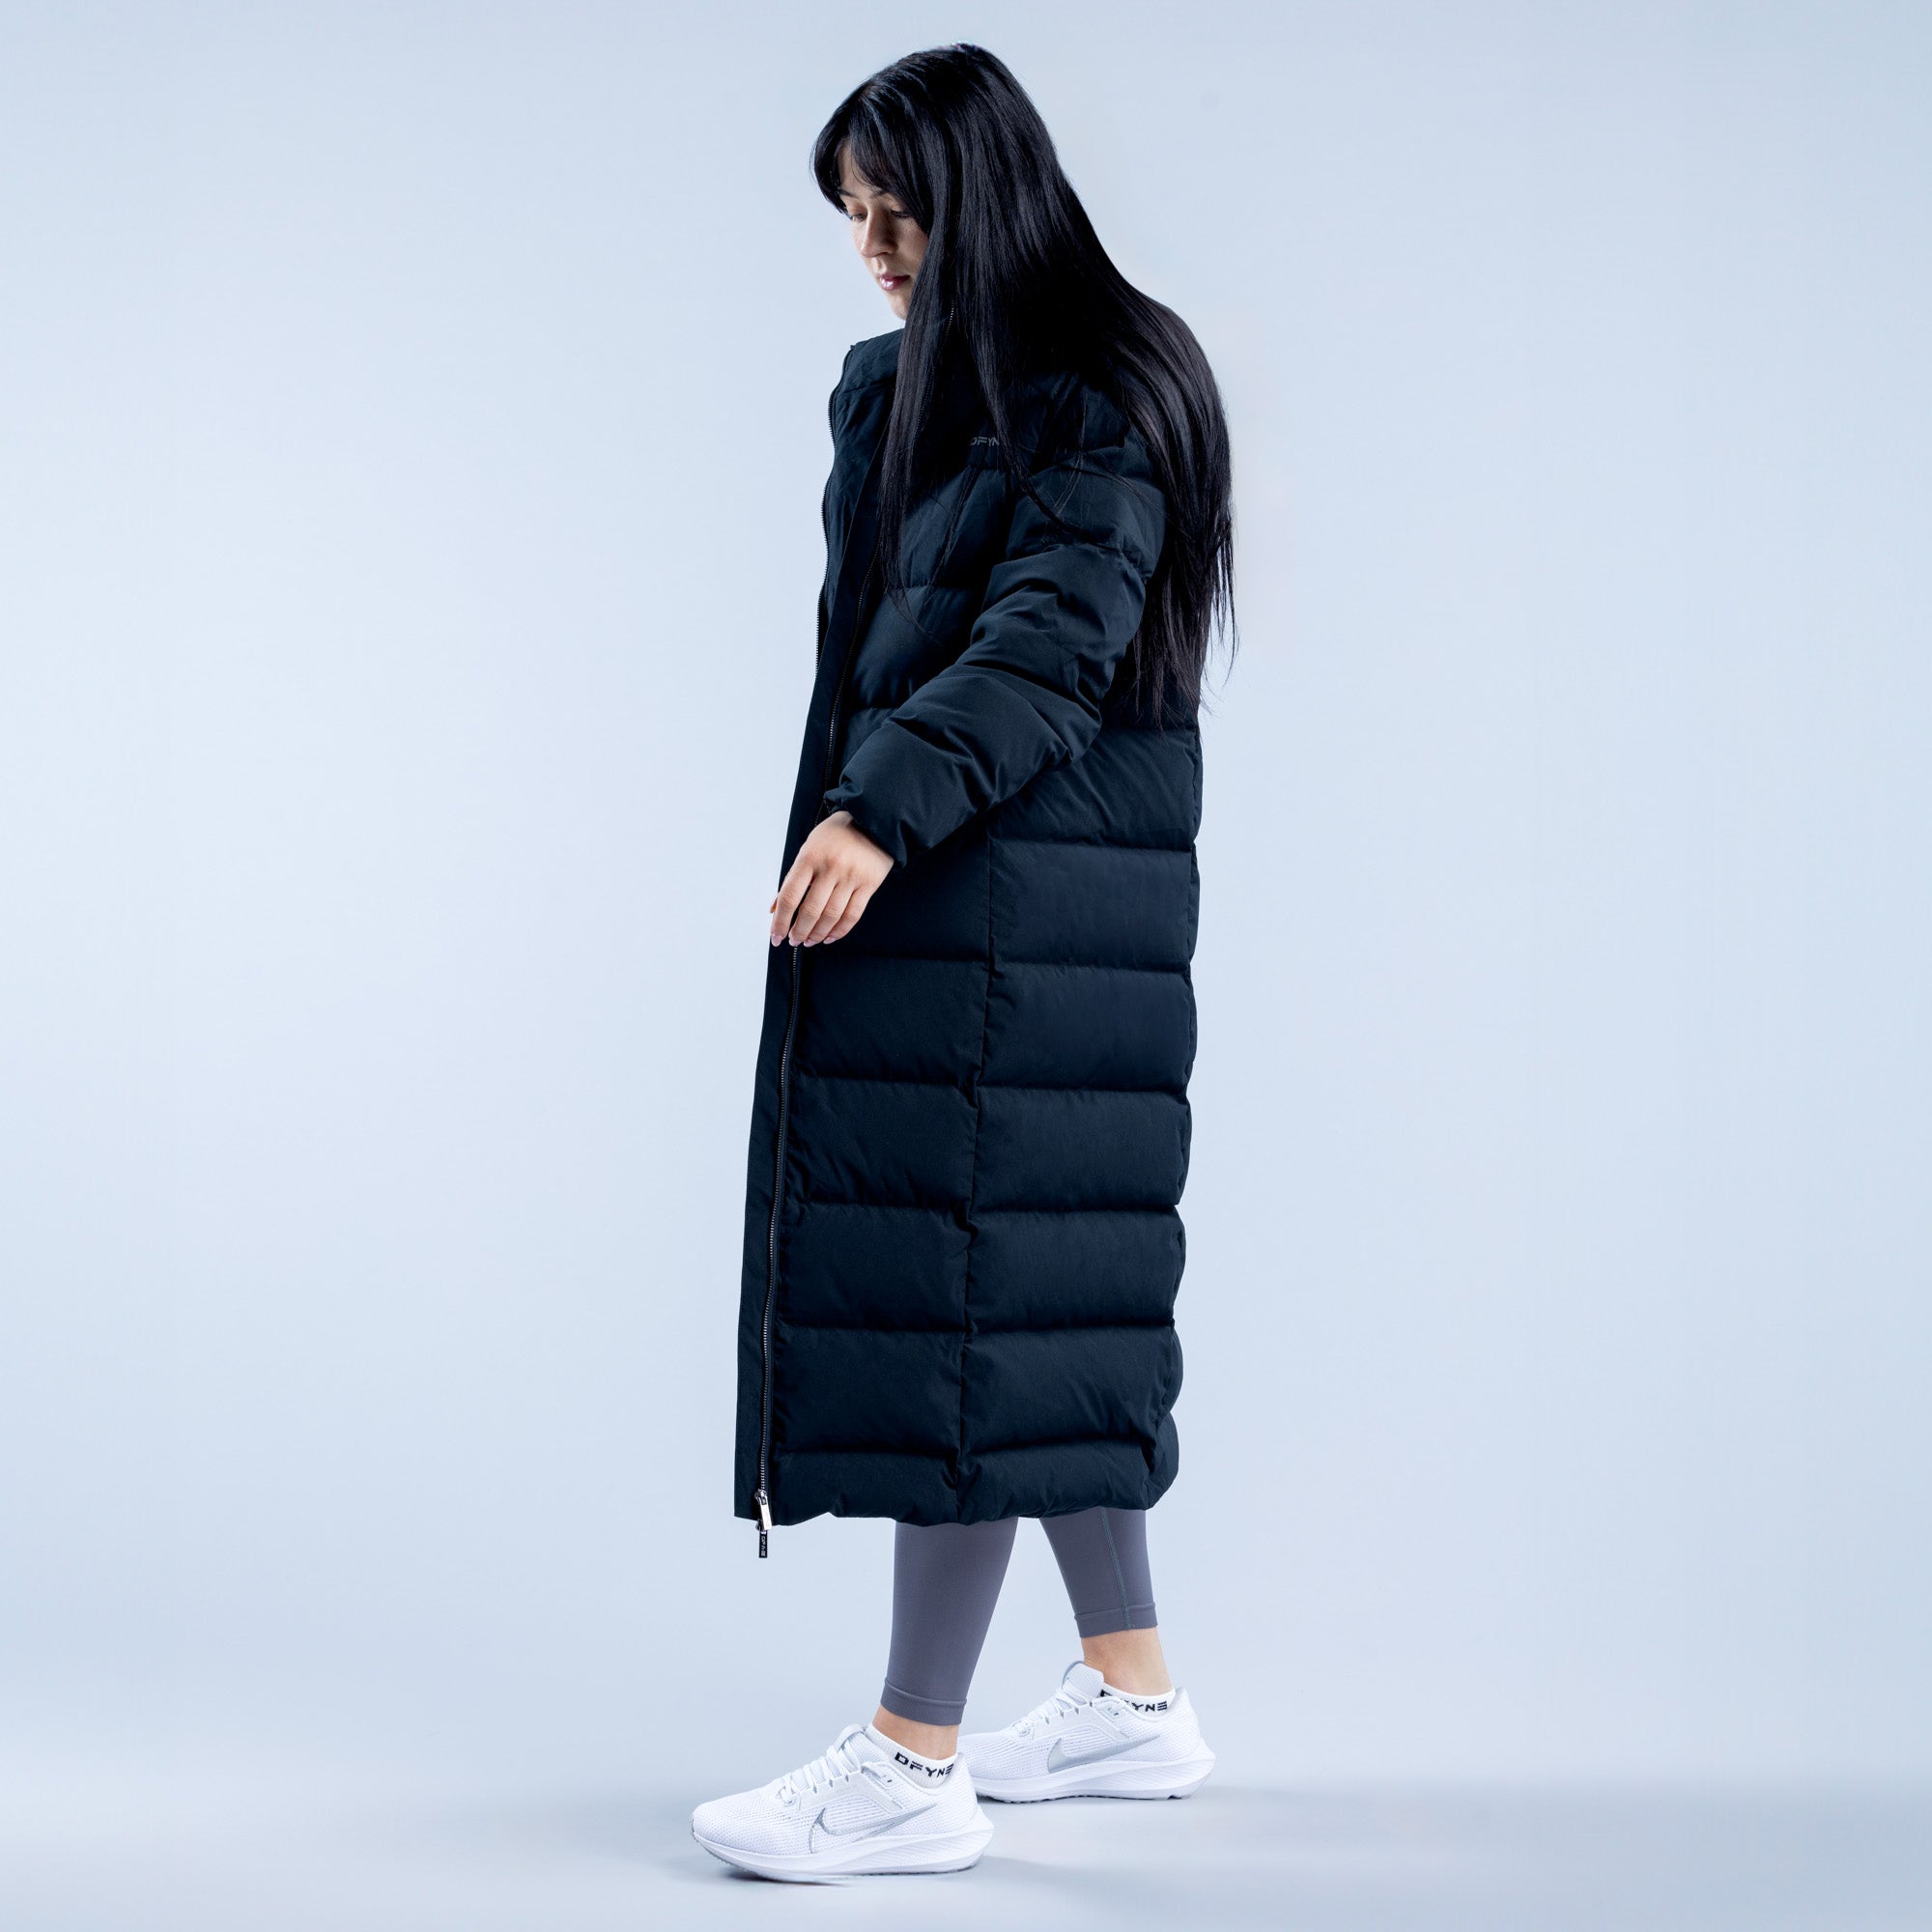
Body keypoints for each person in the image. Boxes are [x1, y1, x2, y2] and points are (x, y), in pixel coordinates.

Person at [693, 43, 1236, 1882]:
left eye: (898, 213)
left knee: (968, 1323)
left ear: (981, 195)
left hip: (1010, 897)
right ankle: (1133, 1700)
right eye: (853, 217)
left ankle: (911, 1760)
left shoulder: (1101, 389)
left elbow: (1051, 643)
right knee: (1040, 1304)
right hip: (980, 891)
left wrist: (874, 812)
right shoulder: (919, 383)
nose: (872, 250)